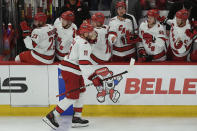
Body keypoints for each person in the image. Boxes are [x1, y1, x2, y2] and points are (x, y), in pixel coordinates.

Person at [42, 23, 101, 129]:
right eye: (91, 32)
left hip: (73, 70)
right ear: (85, 34)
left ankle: (76, 118)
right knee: (72, 97)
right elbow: (83, 64)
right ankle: (52, 115)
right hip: (71, 71)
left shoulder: (79, 38)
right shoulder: (84, 44)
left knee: (81, 91)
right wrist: (94, 77)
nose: (93, 33)